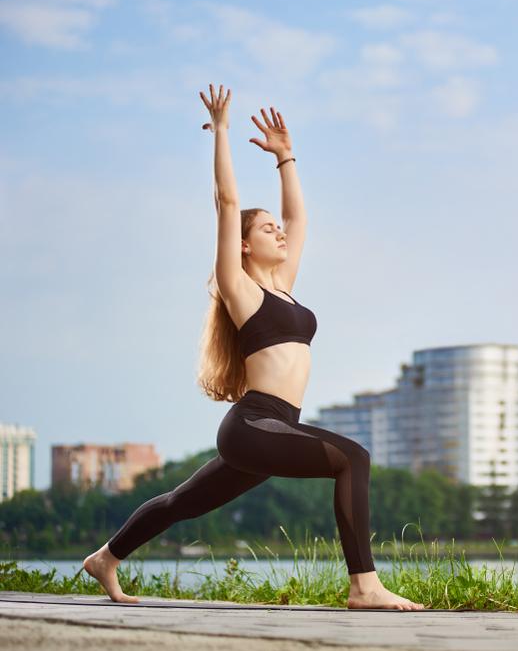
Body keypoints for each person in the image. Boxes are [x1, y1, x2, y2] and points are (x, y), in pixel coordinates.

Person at [83, 83, 425, 610]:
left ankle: (106, 557)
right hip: (253, 424)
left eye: (276, 228)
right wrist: (221, 132)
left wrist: (286, 157)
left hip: (275, 428)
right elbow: (227, 201)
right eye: (267, 229)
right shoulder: (239, 288)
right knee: (352, 457)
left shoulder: (283, 282)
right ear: (245, 244)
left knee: (181, 502)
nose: (280, 234)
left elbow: (300, 220)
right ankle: (364, 586)